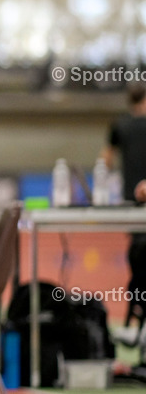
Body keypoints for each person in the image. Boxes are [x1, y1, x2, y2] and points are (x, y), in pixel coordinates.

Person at [101, 85, 146, 354]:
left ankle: (136, 313)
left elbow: (105, 160)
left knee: (138, 259)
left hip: (132, 204)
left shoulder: (120, 125)